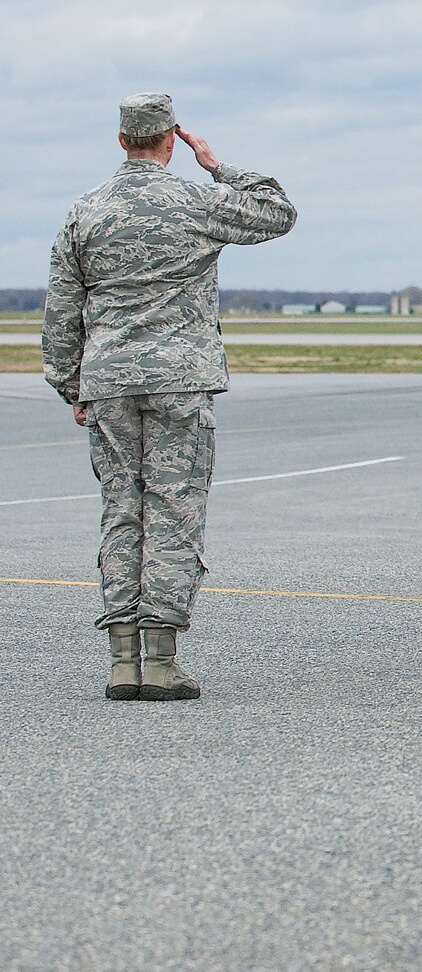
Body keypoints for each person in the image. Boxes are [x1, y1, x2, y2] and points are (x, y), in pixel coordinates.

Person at [43, 93, 297, 700]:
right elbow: (277, 212)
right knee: (174, 508)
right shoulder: (196, 201)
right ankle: (160, 658)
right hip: (178, 380)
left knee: (121, 508)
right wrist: (216, 165)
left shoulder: (87, 210)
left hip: (108, 380)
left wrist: (69, 383)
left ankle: (121, 660)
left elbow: (61, 310)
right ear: (169, 139)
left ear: (121, 139)